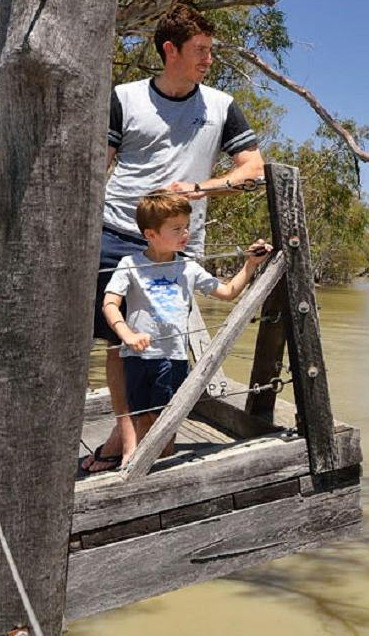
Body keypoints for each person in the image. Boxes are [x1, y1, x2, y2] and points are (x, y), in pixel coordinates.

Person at [80, 3, 265, 475]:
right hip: (118, 233)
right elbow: (95, 169)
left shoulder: (221, 107)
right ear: (170, 50)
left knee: (167, 339)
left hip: (183, 241)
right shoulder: (124, 98)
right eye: (200, 51)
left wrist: (200, 188)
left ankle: (139, 441)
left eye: (210, 51)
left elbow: (254, 169)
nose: (208, 60)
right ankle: (127, 444)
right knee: (120, 343)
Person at [100, 190, 272, 467]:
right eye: (176, 228)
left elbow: (227, 292)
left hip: (173, 358)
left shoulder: (188, 267)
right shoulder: (130, 265)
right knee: (139, 413)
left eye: (186, 227)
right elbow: (110, 303)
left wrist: (250, 264)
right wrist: (127, 335)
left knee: (165, 418)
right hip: (136, 358)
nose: (185, 233)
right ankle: (137, 460)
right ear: (151, 234)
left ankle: (159, 462)